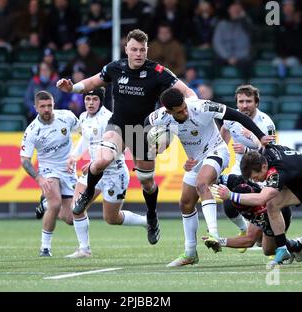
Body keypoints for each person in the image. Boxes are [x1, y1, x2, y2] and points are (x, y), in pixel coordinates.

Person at [56, 29, 198, 245]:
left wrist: (193, 105)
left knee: (147, 182)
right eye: (134, 49)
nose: (138, 53)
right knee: (102, 160)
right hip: (119, 126)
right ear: (127, 50)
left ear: (147, 50)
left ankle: (151, 216)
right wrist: (72, 87)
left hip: (144, 131)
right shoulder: (116, 67)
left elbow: (187, 92)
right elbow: (92, 83)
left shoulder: (158, 71)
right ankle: (88, 193)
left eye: (142, 49)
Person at [147, 87, 274, 267]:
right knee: (185, 203)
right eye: (180, 111)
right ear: (168, 111)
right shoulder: (160, 116)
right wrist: (149, 147)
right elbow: (146, 123)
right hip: (195, 159)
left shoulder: (201, 107)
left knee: (202, 183)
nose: (185, 111)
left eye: (184, 107)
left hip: (217, 151)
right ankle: (190, 253)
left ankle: (213, 233)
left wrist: (260, 136)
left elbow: (237, 116)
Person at [211, 146, 302, 267]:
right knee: (272, 204)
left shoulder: (276, 173)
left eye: (255, 177)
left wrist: (231, 195)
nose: (257, 181)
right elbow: (261, 142)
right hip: (296, 186)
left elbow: (261, 198)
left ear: (264, 167)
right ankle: (282, 248)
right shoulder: (264, 154)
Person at [63, 87, 147, 258]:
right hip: (93, 172)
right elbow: (86, 139)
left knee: (111, 218)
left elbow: (120, 147)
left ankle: (147, 221)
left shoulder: (110, 119)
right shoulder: (83, 117)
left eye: (94, 99)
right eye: (87, 99)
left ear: (101, 101)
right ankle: (84, 249)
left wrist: (96, 163)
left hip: (114, 173)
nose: (90, 103)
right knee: (76, 208)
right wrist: (74, 155)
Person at [20, 90, 78, 257]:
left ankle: (44, 203)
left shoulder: (66, 117)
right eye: (42, 106)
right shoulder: (32, 130)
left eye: (49, 106)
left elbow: (85, 131)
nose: (47, 109)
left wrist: (79, 154)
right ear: (36, 108)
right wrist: (39, 178)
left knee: (70, 218)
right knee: (55, 203)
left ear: (54, 104)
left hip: (68, 169)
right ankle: (45, 248)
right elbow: (25, 160)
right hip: (48, 169)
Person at [203, 174, 302, 264]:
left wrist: (219, 241)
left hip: (279, 212)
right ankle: (287, 247)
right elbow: (212, 177)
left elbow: (249, 241)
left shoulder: (261, 212)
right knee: (260, 240)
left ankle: (298, 245)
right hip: (265, 203)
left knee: (267, 249)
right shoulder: (237, 181)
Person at [220, 85, 276, 252]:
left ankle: (278, 241)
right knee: (229, 203)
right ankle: (244, 230)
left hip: (261, 172)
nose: (244, 105)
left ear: (256, 103)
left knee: (262, 240)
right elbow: (224, 131)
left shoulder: (266, 123)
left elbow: (270, 154)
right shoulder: (230, 118)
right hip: (240, 167)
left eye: (248, 101)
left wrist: (247, 149)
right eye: (241, 101)